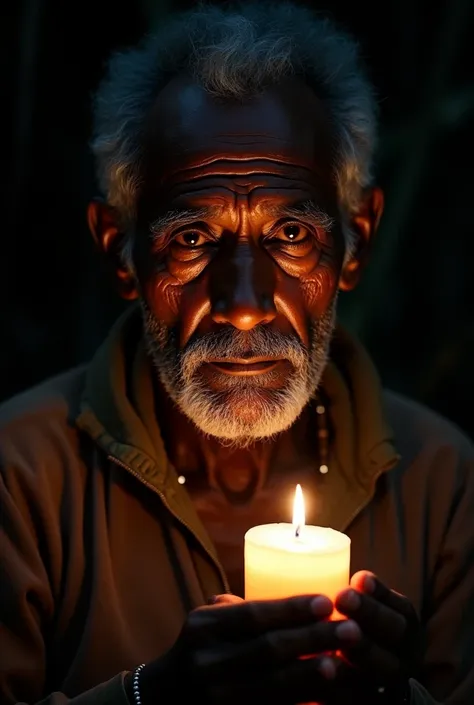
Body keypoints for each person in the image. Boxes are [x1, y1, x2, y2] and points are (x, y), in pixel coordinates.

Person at [1, 2, 473, 705]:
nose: (245, 302)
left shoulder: (445, 481)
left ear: (356, 242)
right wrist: (149, 696)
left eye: (290, 234)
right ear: (121, 252)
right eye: (191, 238)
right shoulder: (19, 473)